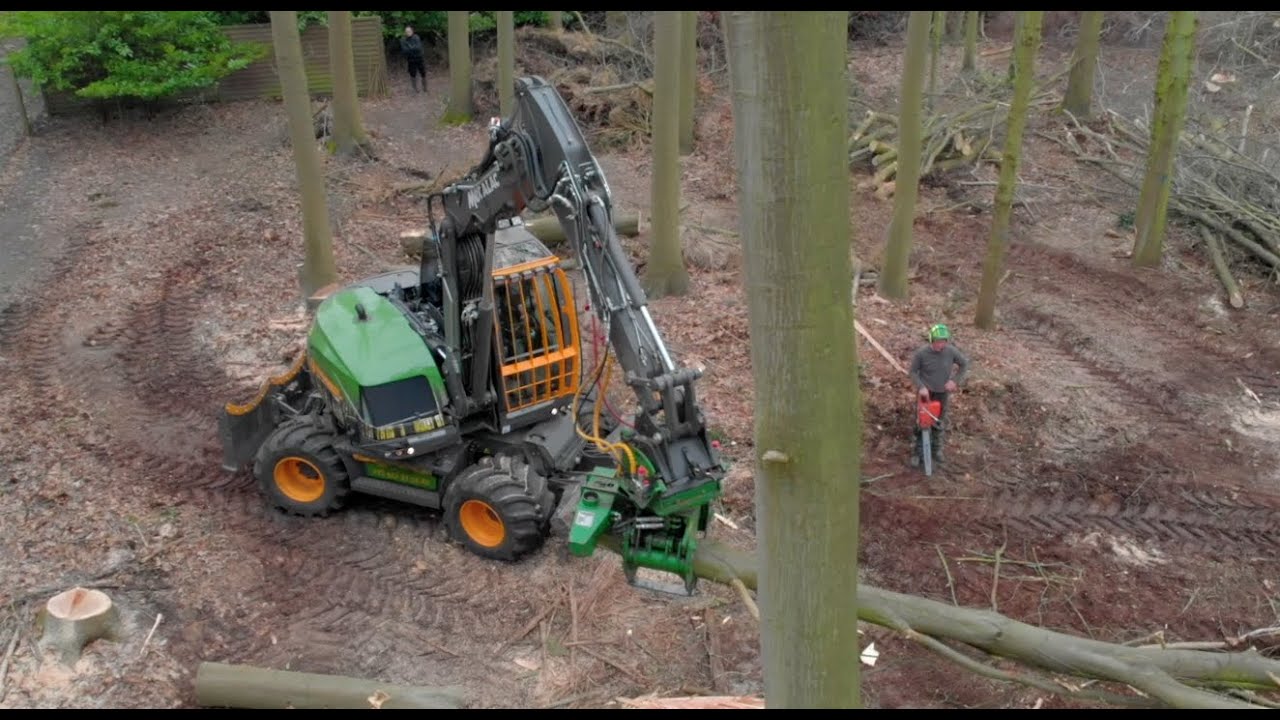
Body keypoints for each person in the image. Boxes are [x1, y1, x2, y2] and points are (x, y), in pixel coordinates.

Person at [908, 324, 970, 467]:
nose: (940, 345)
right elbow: (912, 372)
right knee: (921, 422)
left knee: (939, 422)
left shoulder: (950, 351)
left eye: (943, 342)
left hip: (942, 393)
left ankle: (936, 450)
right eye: (937, 341)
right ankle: (917, 453)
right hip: (925, 393)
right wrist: (921, 387)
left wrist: (954, 381)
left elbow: (964, 365)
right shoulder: (921, 354)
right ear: (931, 339)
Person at [400, 26, 427, 93]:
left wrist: (409, 48)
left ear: (412, 31)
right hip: (410, 60)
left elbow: (418, 48)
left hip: (419, 58)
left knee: (423, 73)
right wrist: (412, 48)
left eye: (409, 31)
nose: (408, 33)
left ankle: (425, 88)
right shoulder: (403, 40)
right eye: (406, 32)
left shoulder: (416, 37)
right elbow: (404, 50)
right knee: (412, 74)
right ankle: (415, 89)